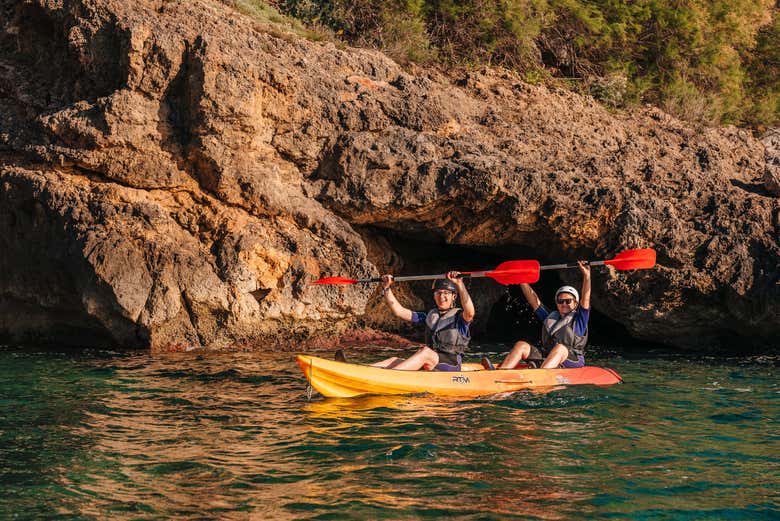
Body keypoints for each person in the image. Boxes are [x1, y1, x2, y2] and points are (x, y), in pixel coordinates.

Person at [487, 260, 591, 370]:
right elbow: (534, 300)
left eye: (568, 301)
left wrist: (587, 276)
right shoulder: (550, 317)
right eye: (560, 301)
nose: (564, 304)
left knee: (560, 348)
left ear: (575, 303)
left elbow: (586, 298)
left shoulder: (580, 319)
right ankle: (502, 372)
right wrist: (522, 280)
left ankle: (541, 374)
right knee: (521, 345)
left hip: (572, 359)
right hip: (547, 356)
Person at [370, 271, 475, 371]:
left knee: (425, 352)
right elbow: (399, 311)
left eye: (446, 293)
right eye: (438, 293)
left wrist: (460, 284)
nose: (442, 296)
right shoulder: (429, 316)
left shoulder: (460, 318)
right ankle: (359, 371)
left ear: (453, 296)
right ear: (434, 296)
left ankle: (389, 377)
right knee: (393, 360)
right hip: (431, 361)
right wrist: (386, 288)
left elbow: (470, 312)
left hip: (451, 364)